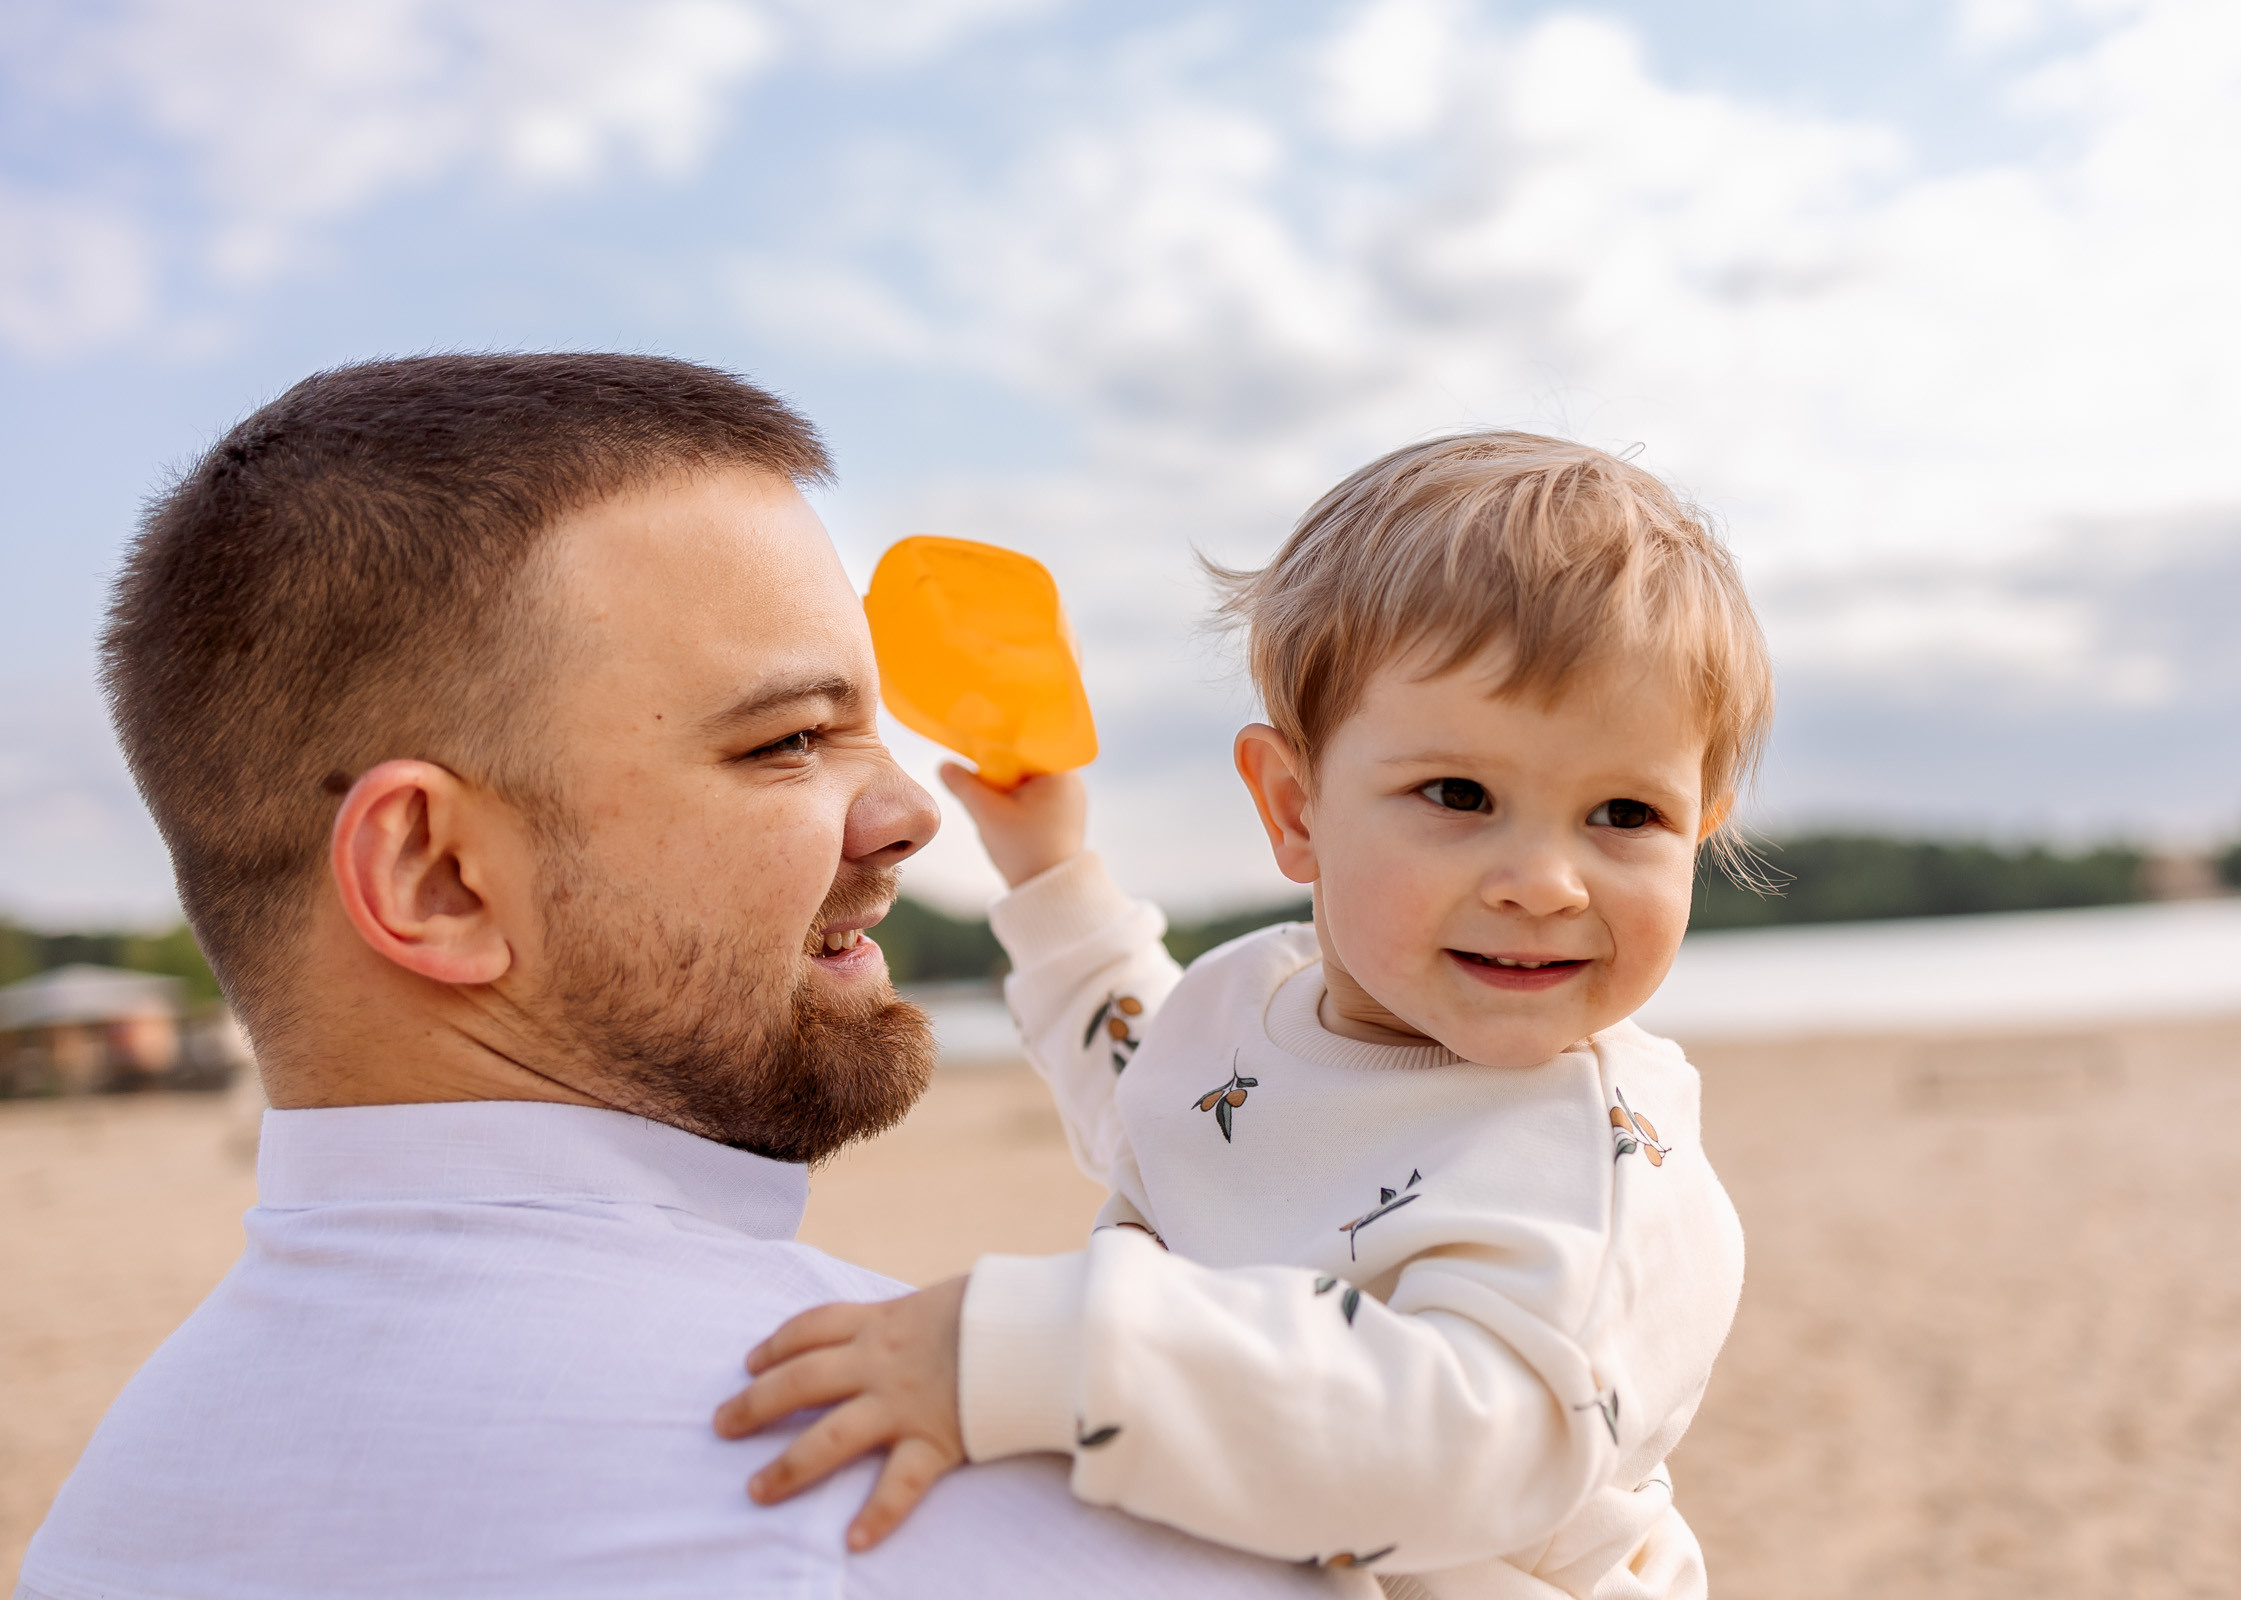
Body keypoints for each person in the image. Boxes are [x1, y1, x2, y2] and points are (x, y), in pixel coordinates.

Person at [16, 353, 1369, 1600]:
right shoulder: (945, 1482)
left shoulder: (114, 1508)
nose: (909, 810)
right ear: (436, 876)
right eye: (788, 740)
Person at [718, 434, 1772, 1598]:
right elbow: (1152, 1089)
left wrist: (1040, 1350)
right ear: (1295, 807)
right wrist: (1050, 870)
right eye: (1460, 795)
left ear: (1701, 831)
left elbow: (1460, 1444)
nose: (1546, 880)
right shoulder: (1256, 1001)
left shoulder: (1596, 1163)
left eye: (1625, 813)